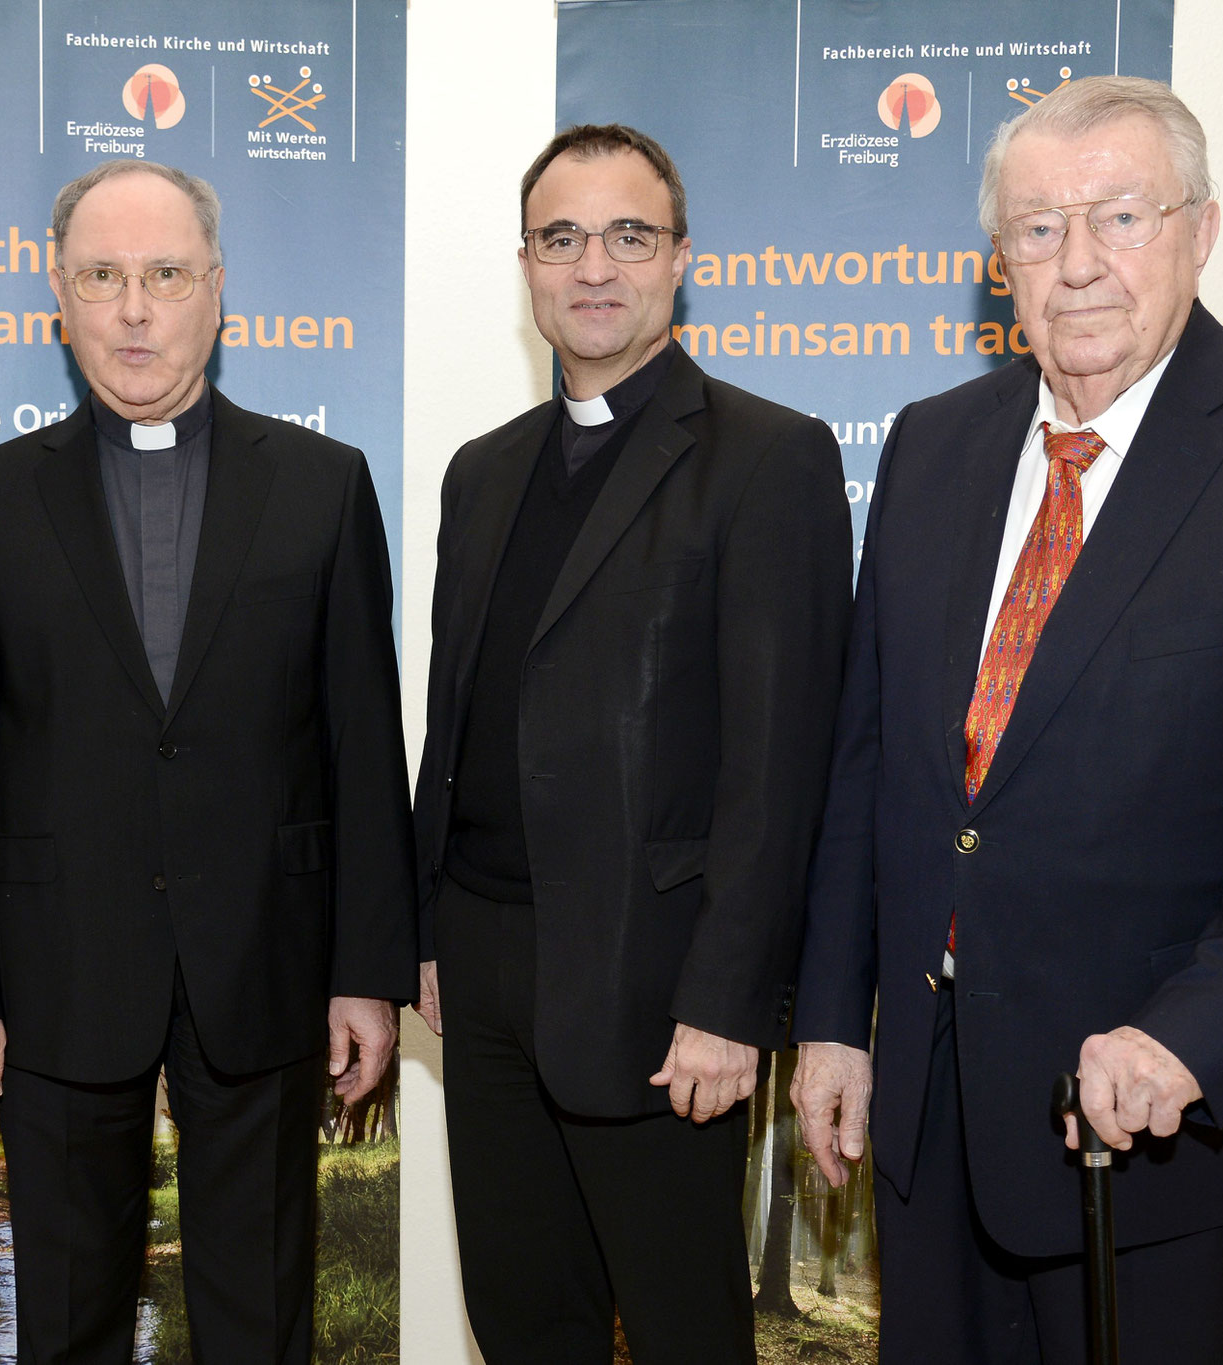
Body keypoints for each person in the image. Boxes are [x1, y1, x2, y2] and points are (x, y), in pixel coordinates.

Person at [791, 75, 1223, 1363]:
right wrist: (829, 1020)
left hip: (1157, 1132)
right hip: (931, 1115)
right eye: (1035, 229)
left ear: (1199, 229)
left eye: (1119, 217)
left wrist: (1184, 1039)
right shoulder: (929, 444)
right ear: (998, 263)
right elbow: (871, 765)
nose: (1074, 263)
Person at [0, 159, 415, 1365]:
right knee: (70, 1316)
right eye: (102, 276)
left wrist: (366, 972)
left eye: (165, 275)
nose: (134, 309)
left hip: (267, 964)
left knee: (260, 1312)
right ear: (60, 297)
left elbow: (360, 742)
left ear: (217, 291)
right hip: (55, 971)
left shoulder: (323, 486)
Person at [410, 124, 852, 1363]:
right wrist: (429, 924)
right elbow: (456, 721)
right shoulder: (480, 472)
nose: (591, 265)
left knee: (676, 1329)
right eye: (561, 238)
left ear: (678, 260)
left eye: (626, 235)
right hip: (483, 973)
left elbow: (781, 770)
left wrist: (726, 1005)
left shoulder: (768, 458)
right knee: (520, 1315)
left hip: (659, 990)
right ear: (526, 263)